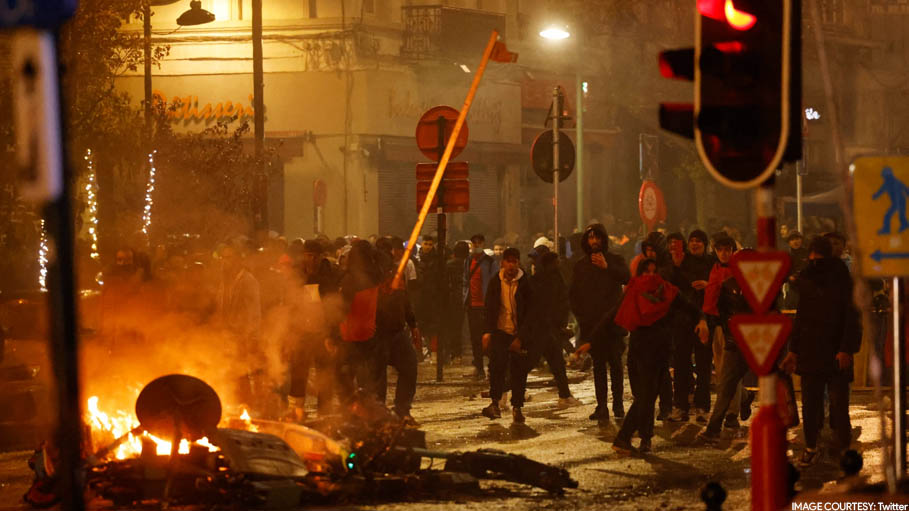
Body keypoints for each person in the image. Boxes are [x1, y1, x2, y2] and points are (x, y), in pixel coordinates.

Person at [612, 259, 709, 455]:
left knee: (648, 396)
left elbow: (691, 308)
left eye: (654, 272)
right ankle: (626, 438)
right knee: (646, 397)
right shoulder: (638, 291)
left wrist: (702, 320)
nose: (650, 276)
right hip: (643, 351)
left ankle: (639, 439)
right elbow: (612, 315)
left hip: (659, 351)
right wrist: (592, 340)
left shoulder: (668, 292)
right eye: (646, 272)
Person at [780, 236, 861, 467]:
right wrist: (794, 351)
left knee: (838, 406)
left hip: (835, 352)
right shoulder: (808, 278)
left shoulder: (843, 280)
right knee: (811, 405)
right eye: (812, 256)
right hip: (810, 352)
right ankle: (811, 447)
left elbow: (851, 319)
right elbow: (802, 317)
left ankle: (844, 451)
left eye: (818, 256)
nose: (815, 260)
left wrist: (846, 349)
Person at [570, 223, 631, 423]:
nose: (594, 242)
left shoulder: (615, 259)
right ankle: (602, 406)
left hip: (613, 325)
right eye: (591, 238)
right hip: (592, 326)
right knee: (598, 367)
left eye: (597, 237)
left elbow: (626, 277)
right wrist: (582, 319)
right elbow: (574, 295)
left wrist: (607, 267)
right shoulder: (581, 265)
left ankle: (619, 405)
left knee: (615, 365)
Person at [696, 237, 754, 444]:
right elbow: (713, 305)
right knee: (726, 380)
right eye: (719, 249)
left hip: (749, 339)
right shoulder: (724, 279)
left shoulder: (757, 284)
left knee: (728, 381)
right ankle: (727, 416)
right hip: (730, 336)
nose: (724, 253)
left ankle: (727, 417)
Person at [518, 251, 581, 410]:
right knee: (530, 363)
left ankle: (565, 395)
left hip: (544, 328)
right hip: (545, 329)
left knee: (556, 363)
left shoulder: (537, 280)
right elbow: (558, 304)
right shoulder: (552, 279)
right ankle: (503, 392)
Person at [286, 239, 339, 421]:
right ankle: (296, 412)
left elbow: (333, 305)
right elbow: (290, 303)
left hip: (322, 332)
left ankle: (324, 414)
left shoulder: (329, 274)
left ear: (321, 257)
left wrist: (331, 334)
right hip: (302, 332)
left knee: (324, 373)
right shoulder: (297, 274)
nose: (311, 260)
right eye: (308, 256)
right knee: (298, 372)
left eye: (315, 256)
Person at [480, 248, 533, 422]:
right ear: (502, 263)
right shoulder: (496, 282)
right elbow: (489, 308)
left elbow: (531, 312)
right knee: (496, 368)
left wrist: (522, 337)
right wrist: (487, 331)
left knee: (519, 372)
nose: (511, 265)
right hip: (500, 332)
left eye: (515, 261)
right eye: (508, 261)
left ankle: (517, 407)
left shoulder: (525, 283)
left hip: (518, 334)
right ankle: (494, 403)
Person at [668, 230, 715, 423]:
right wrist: (676, 266)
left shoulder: (711, 263)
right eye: (692, 241)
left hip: (705, 319)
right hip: (682, 319)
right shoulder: (681, 262)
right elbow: (669, 285)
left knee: (704, 365)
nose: (695, 244)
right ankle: (681, 406)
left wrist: (708, 284)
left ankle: (703, 406)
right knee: (681, 364)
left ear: (704, 244)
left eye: (698, 241)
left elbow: (721, 285)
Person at [376, 248, 420, 424]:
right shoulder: (372, 279)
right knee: (378, 376)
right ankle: (378, 414)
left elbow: (404, 299)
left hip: (397, 332)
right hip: (377, 333)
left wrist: (412, 323)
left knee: (409, 367)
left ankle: (402, 410)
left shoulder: (397, 276)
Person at [336, 240, 383, 402]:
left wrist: (333, 333)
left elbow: (342, 309)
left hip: (350, 335)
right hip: (369, 332)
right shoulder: (376, 275)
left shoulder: (350, 279)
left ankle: (351, 413)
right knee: (367, 379)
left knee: (346, 377)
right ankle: (370, 410)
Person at [463, 234, 500, 380]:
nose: (476, 245)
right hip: (472, 305)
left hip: (486, 306)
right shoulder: (468, 260)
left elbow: (494, 282)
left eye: (479, 243)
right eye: (474, 243)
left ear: (483, 243)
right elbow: (465, 280)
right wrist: (464, 298)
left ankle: (492, 366)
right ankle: (479, 367)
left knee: (489, 337)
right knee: (475, 338)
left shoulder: (490, 262)